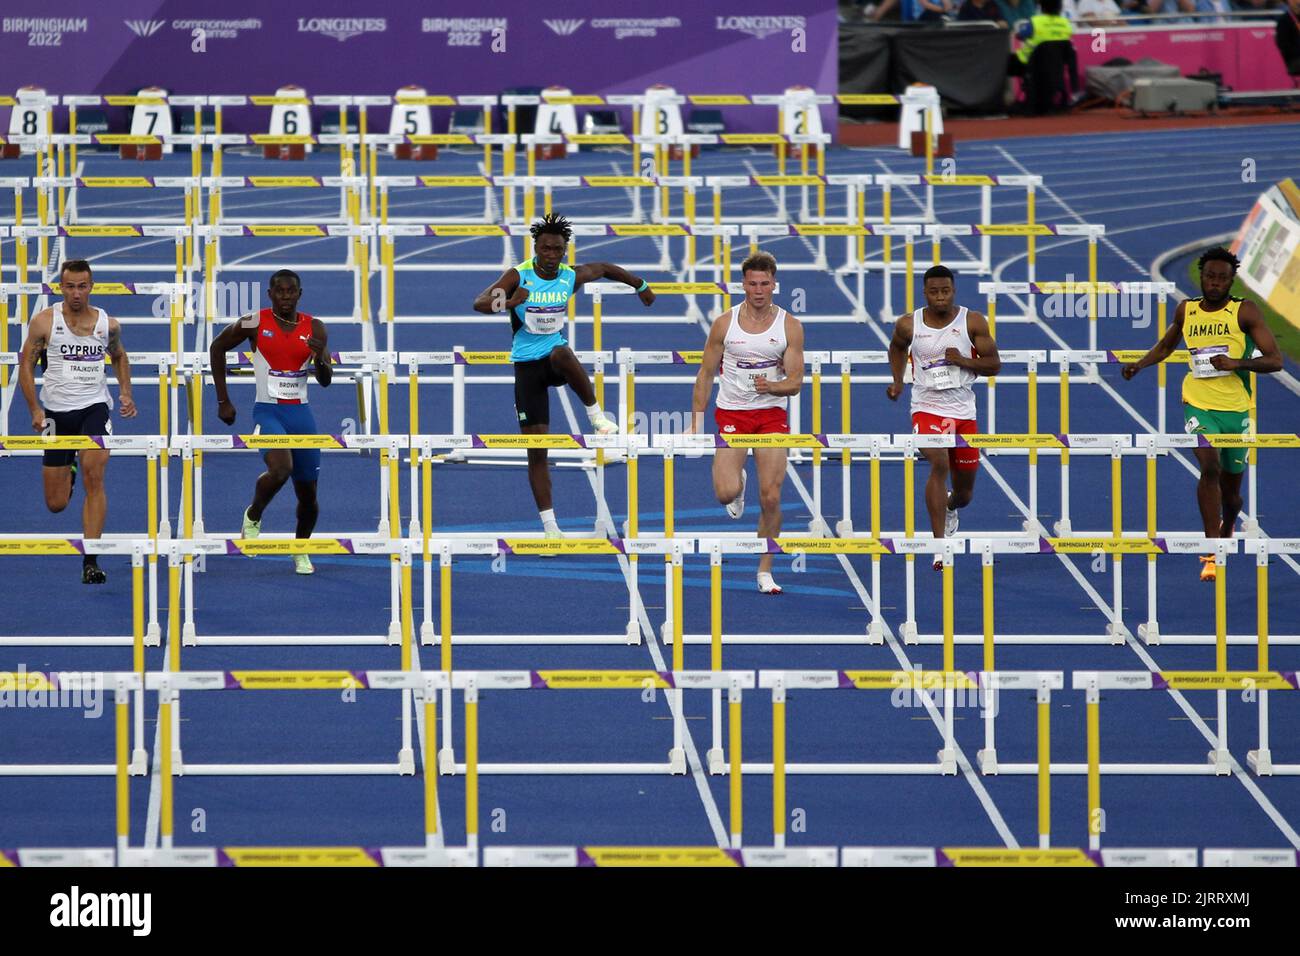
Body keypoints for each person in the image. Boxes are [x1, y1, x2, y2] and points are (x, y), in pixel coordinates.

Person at [472, 213, 654, 539]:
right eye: (546, 249)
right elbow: (480, 303)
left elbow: (604, 269)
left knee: (561, 351)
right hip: (527, 369)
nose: (552, 256)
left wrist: (639, 284)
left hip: (555, 361)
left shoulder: (570, 276)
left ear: (565, 250)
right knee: (537, 451)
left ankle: (597, 417)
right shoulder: (519, 275)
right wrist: (511, 302)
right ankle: (550, 526)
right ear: (536, 248)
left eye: (558, 249)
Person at [1122, 247, 1282, 581]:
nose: (1214, 283)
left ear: (1231, 280)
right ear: (1201, 275)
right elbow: (1167, 345)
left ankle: (1227, 525)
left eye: (1222, 278)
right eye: (1210, 276)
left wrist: (1237, 363)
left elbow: (1275, 360)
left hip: (1238, 408)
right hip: (1198, 401)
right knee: (1208, 466)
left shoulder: (1245, 312)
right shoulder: (1187, 310)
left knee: (1233, 494)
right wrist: (1140, 364)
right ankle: (1213, 550)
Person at [689, 251, 805, 595]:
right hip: (732, 413)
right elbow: (706, 374)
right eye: (752, 284)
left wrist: (773, 386)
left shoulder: (789, 326)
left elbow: (796, 383)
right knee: (726, 493)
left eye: (765, 284)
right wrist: (695, 422)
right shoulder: (725, 324)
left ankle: (765, 569)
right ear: (743, 285)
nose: (758, 290)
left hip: (770, 414)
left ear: (774, 284)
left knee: (771, 496)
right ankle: (736, 480)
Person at [18, 259, 137, 584]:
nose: (76, 293)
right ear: (61, 288)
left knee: (95, 476)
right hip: (56, 412)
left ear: (91, 287)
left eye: (82, 286)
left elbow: (119, 356)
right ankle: (68, 467)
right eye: (70, 286)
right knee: (56, 504)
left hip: (94, 408)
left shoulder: (106, 325)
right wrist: (34, 410)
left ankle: (91, 560)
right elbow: (25, 366)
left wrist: (125, 392)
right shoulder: (44, 323)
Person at [209, 269, 332, 575]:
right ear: (270, 294)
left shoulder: (315, 327)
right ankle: (253, 514)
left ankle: (300, 550)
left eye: (292, 292)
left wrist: (320, 359)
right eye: (280, 291)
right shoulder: (254, 321)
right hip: (268, 411)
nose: (286, 297)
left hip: (301, 414)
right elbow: (217, 347)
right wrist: (223, 400)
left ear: (300, 294)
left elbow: (326, 380)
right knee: (280, 469)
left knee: (309, 496)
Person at [887, 265, 1001, 570]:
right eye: (934, 292)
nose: (940, 297)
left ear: (953, 291)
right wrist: (898, 380)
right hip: (926, 407)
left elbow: (994, 365)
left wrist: (963, 360)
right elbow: (897, 347)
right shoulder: (909, 324)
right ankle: (939, 547)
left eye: (945, 291)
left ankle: (951, 506)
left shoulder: (973, 321)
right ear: (925, 293)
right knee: (937, 463)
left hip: (963, 411)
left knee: (965, 492)